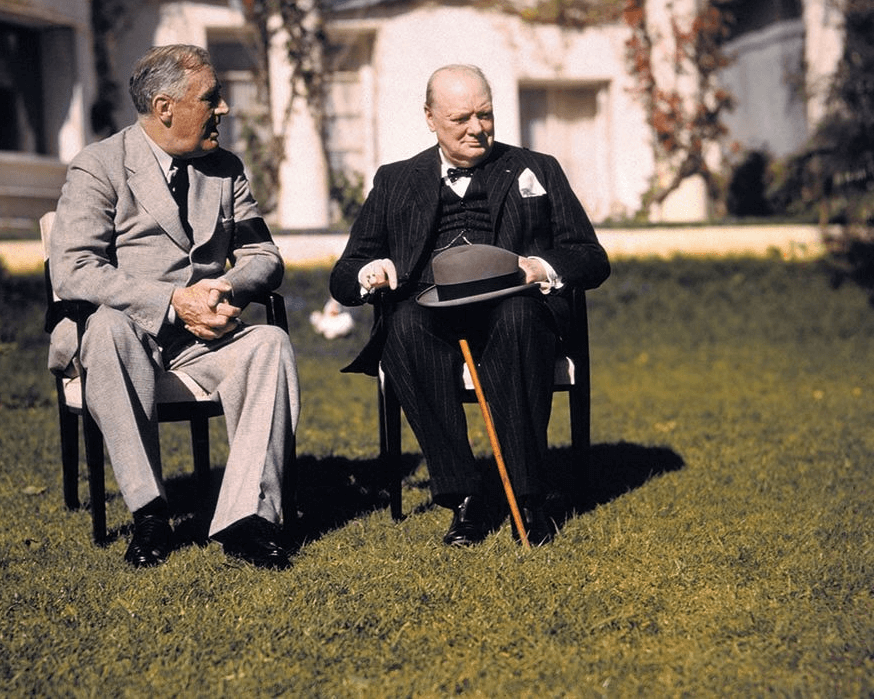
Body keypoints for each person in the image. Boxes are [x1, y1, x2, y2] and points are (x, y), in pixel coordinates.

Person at [329, 64, 610, 547]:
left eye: (485, 115)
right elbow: (345, 271)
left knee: (519, 315)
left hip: (513, 307)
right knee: (403, 327)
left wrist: (538, 268)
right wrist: (368, 272)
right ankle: (465, 496)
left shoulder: (536, 168)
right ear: (430, 118)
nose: (476, 129)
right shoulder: (396, 180)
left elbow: (590, 256)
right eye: (461, 118)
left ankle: (528, 497)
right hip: (429, 311)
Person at [48, 44, 299, 569]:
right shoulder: (99, 167)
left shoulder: (224, 169)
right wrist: (172, 302)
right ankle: (150, 513)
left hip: (203, 339)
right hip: (128, 334)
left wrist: (223, 290)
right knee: (109, 329)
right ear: (165, 108)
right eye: (212, 98)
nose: (223, 109)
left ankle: (247, 518)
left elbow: (264, 256)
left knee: (270, 343)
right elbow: (72, 269)